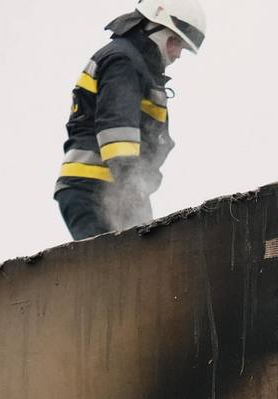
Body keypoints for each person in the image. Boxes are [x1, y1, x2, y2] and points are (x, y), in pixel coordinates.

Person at [55, 0, 206, 241]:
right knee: (114, 269)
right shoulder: (123, 61)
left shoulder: (139, 66)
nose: (177, 54)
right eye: (175, 41)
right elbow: (117, 131)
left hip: (106, 188)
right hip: (94, 188)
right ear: (153, 25)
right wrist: (132, 193)